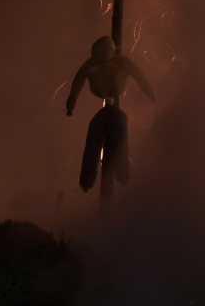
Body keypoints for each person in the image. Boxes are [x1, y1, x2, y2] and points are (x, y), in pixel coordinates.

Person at [66, 36, 156, 191]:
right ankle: (100, 179)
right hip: (108, 111)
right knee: (103, 139)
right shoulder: (93, 64)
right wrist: (70, 105)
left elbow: (139, 76)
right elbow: (77, 84)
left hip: (111, 111)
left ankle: (112, 176)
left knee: (111, 138)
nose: (102, 56)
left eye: (104, 52)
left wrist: (150, 93)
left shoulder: (115, 63)